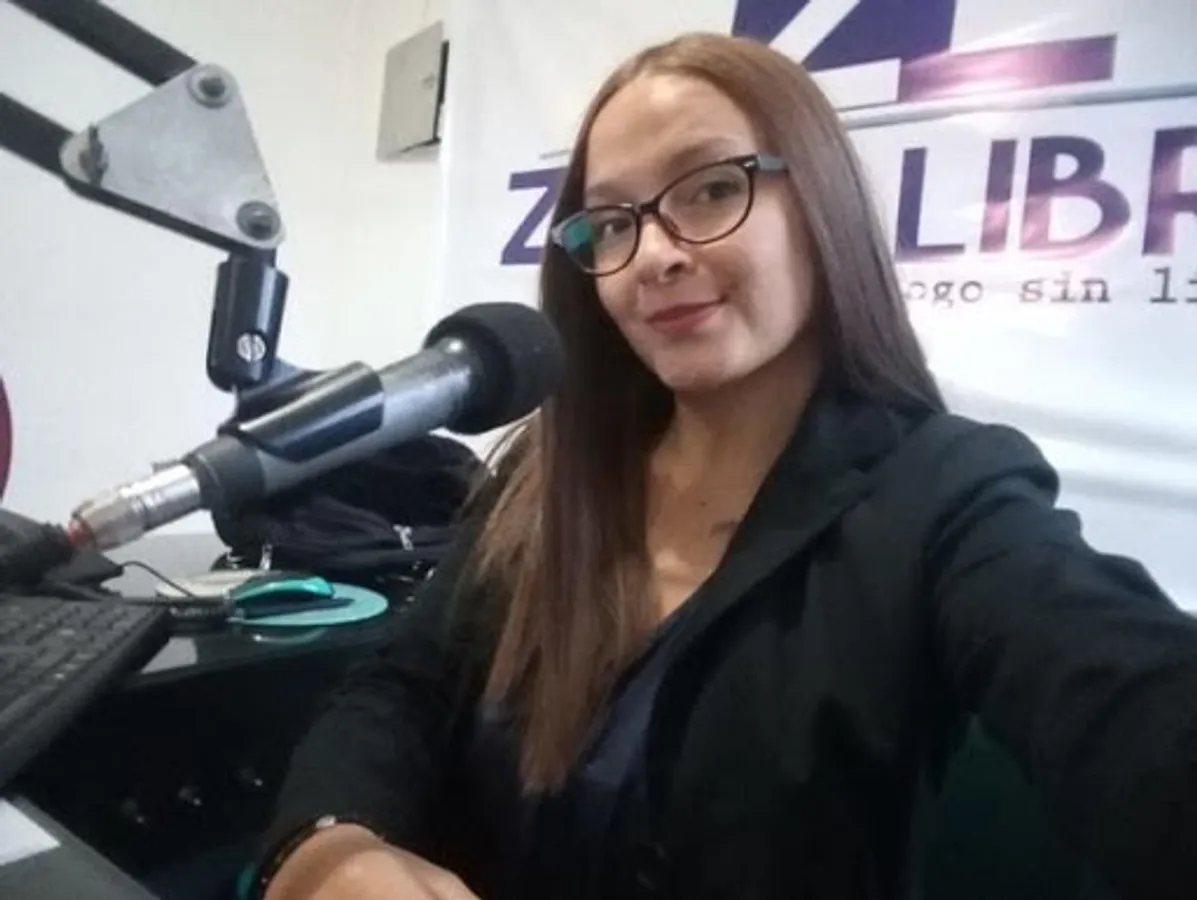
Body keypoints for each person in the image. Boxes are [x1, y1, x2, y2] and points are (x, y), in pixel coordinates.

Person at [255, 32, 1197, 900]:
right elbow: (403, 686)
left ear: (818, 203)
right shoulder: (549, 474)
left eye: (709, 189)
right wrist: (331, 847)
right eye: (610, 223)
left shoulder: (946, 495)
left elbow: (1129, 704)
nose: (652, 256)